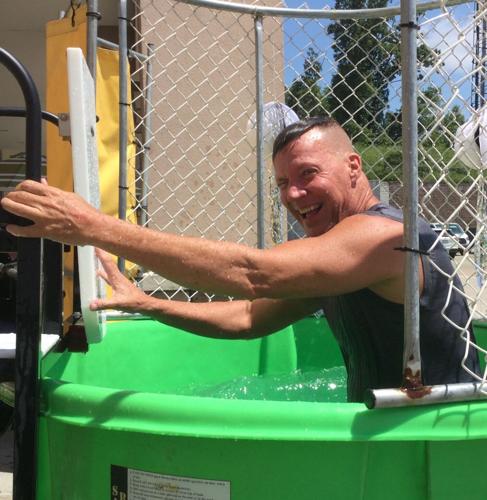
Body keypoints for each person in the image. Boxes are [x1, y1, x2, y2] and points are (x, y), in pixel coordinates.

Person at [0, 116, 480, 402]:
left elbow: (255, 274)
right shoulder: (338, 257)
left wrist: (94, 226)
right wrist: (151, 304)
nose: (294, 194)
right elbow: (250, 315)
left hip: (439, 438)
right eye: (282, 183)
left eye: (308, 174)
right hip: (392, 431)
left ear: (353, 166)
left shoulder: (385, 237)